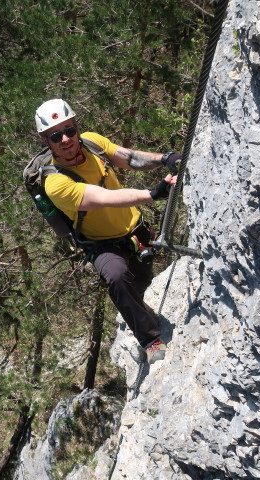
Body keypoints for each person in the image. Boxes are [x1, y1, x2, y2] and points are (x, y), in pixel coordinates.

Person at [34, 98, 180, 364]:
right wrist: (153, 193)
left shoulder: (92, 143)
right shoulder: (54, 182)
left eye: (69, 130)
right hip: (102, 244)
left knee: (142, 285)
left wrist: (165, 158)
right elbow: (102, 198)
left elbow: (130, 158)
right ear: (46, 140)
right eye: (56, 135)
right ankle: (151, 340)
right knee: (116, 276)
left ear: (77, 128)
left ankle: (141, 310)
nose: (66, 139)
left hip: (136, 232)